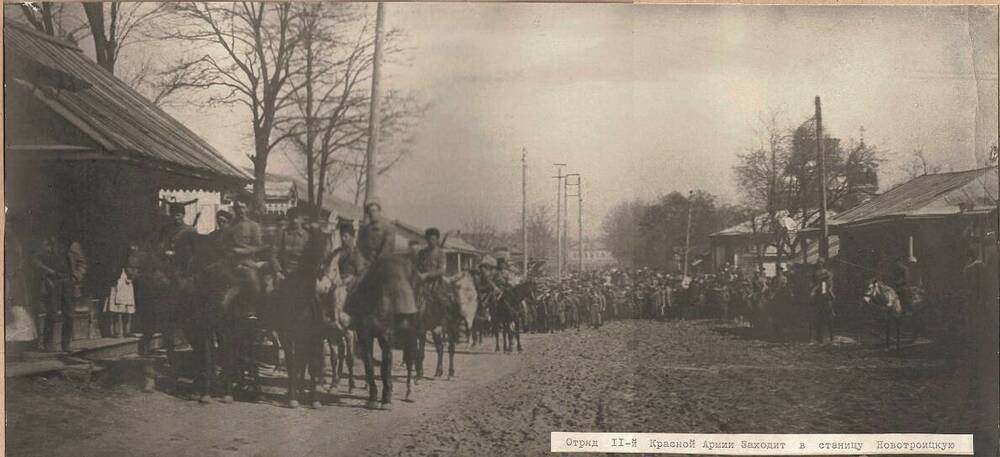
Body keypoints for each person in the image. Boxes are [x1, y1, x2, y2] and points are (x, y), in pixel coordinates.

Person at [223, 197, 267, 318]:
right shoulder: (228, 226)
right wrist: (227, 251)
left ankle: (253, 311)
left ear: (247, 208)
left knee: (256, 285)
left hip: (246, 262)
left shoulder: (254, 226)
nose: (240, 211)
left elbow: (258, 247)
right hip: (228, 262)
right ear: (234, 209)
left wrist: (241, 251)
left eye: (243, 207)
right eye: (237, 207)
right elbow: (223, 244)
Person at [358, 197, 396, 268]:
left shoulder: (388, 228)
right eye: (369, 212)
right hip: (367, 265)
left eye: (374, 211)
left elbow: (387, 249)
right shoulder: (365, 230)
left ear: (379, 211)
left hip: (384, 264)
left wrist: (376, 263)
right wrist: (362, 263)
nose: (372, 214)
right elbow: (359, 248)